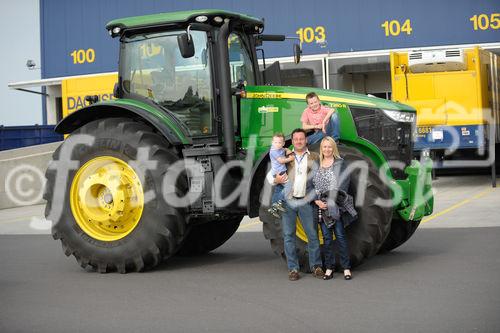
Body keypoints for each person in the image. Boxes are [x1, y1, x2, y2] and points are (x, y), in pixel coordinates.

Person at [273, 128, 324, 281]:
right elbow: (272, 177)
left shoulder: (314, 157)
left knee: (312, 235)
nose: (299, 141)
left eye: (301, 139)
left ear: (306, 140)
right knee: (288, 236)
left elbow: (319, 180)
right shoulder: (284, 156)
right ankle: (293, 269)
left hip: (305, 201)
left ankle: (316, 266)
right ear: (292, 141)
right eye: (296, 139)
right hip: (288, 202)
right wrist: (276, 180)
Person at [312, 136, 354, 280]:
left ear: (333, 148)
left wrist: (332, 200)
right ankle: (329, 268)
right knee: (327, 238)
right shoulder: (317, 164)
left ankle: (346, 268)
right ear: (321, 149)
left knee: (341, 237)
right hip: (321, 206)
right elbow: (312, 185)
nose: (327, 149)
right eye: (324, 147)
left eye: (330, 147)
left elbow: (344, 184)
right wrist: (317, 201)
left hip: (335, 205)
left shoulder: (340, 163)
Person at [267, 133, 295, 218]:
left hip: (279, 172)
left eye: (279, 142)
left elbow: (285, 149)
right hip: (279, 173)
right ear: (272, 142)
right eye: (275, 142)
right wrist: (291, 158)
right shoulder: (273, 151)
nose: (277, 144)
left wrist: (287, 150)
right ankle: (279, 202)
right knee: (290, 186)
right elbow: (281, 161)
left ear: (283, 143)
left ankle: (273, 207)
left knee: (278, 189)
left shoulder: (280, 149)